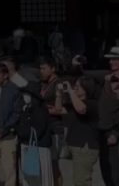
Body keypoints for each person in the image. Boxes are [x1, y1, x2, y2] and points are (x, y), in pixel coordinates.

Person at [56, 76, 100, 186]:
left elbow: (81, 109)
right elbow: (58, 109)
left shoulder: (92, 103)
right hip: (75, 145)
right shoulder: (75, 102)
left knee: (81, 181)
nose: (74, 88)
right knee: (78, 180)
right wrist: (59, 94)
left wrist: (70, 91)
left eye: (77, 87)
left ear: (86, 88)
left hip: (85, 147)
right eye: (74, 86)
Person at [99, 46, 119, 186]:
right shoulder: (106, 77)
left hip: (116, 133)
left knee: (116, 173)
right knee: (106, 171)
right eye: (110, 59)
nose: (111, 62)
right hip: (102, 130)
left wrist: (115, 133)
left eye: (114, 59)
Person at [16, 82, 53, 186]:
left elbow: (37, 130)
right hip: (27, 147)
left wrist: (20, 132)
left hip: (39, 149)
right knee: (28, 178)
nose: (24, 96)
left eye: (27, 94)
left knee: (40, 179)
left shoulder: (41, 110)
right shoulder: (26, 109)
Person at [40, 57, 64, 185]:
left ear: (53, 69)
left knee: (54, 162)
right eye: (40, 68)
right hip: (45, 127)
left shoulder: (58, 84)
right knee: (47, 162)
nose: (41, 71)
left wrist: (45, 109)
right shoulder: (44, 83)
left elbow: (60, 108)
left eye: (44, 68)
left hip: (55, 127)